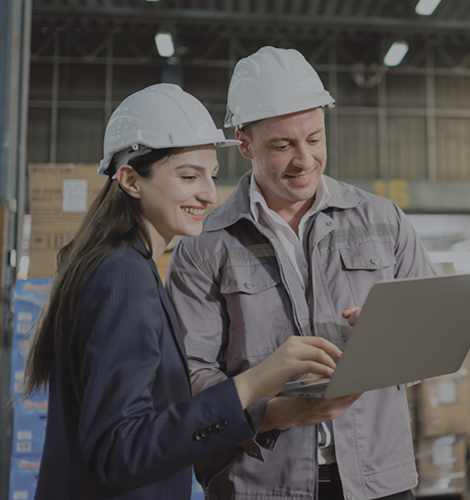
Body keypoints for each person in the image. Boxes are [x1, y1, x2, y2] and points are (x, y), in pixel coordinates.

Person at [23, 83, 343, 500]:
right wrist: (256, 381)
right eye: (188, 176)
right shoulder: (124, 276)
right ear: (130, 180)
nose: (208, 194)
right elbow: (121, 451)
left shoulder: (120, 264)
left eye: (210, 176)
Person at [166, 47, 437, 500]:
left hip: (377, 480)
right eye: (283, 145)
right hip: (259, 484)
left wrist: (390, 337)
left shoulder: (383, 220)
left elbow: (432, 334)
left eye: (314, 139)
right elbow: (190, 373)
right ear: (245, 143)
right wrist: (273, 414)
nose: (304, 159)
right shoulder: (204, 243)